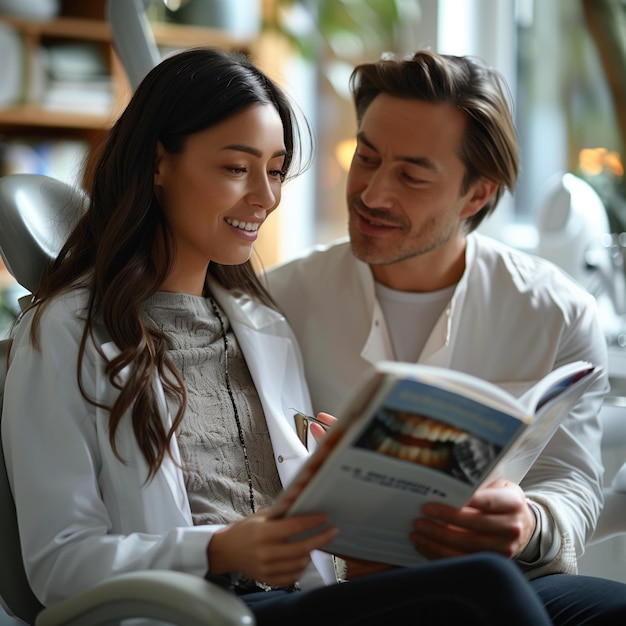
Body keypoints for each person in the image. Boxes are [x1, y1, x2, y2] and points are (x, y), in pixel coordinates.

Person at [0, 47, 553, 626]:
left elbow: (290, 528)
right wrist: (216, 549)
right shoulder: (62, 334)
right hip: (196, 614)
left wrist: (358, 506)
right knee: (481, 589)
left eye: (276, 169)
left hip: (295, 601)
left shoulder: (262, 324)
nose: (266, 197)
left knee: (588, 603)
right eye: (237, 169)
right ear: (158, 163)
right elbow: (57, 564)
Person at [265, 49, 626, 624]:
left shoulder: (558, 313)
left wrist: (529, 525)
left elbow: (572, 480)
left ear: (477, 194)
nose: (373, 193)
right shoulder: (279, 302)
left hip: (509, 575)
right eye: (367, 156)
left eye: (411, 175)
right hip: (341, 593)